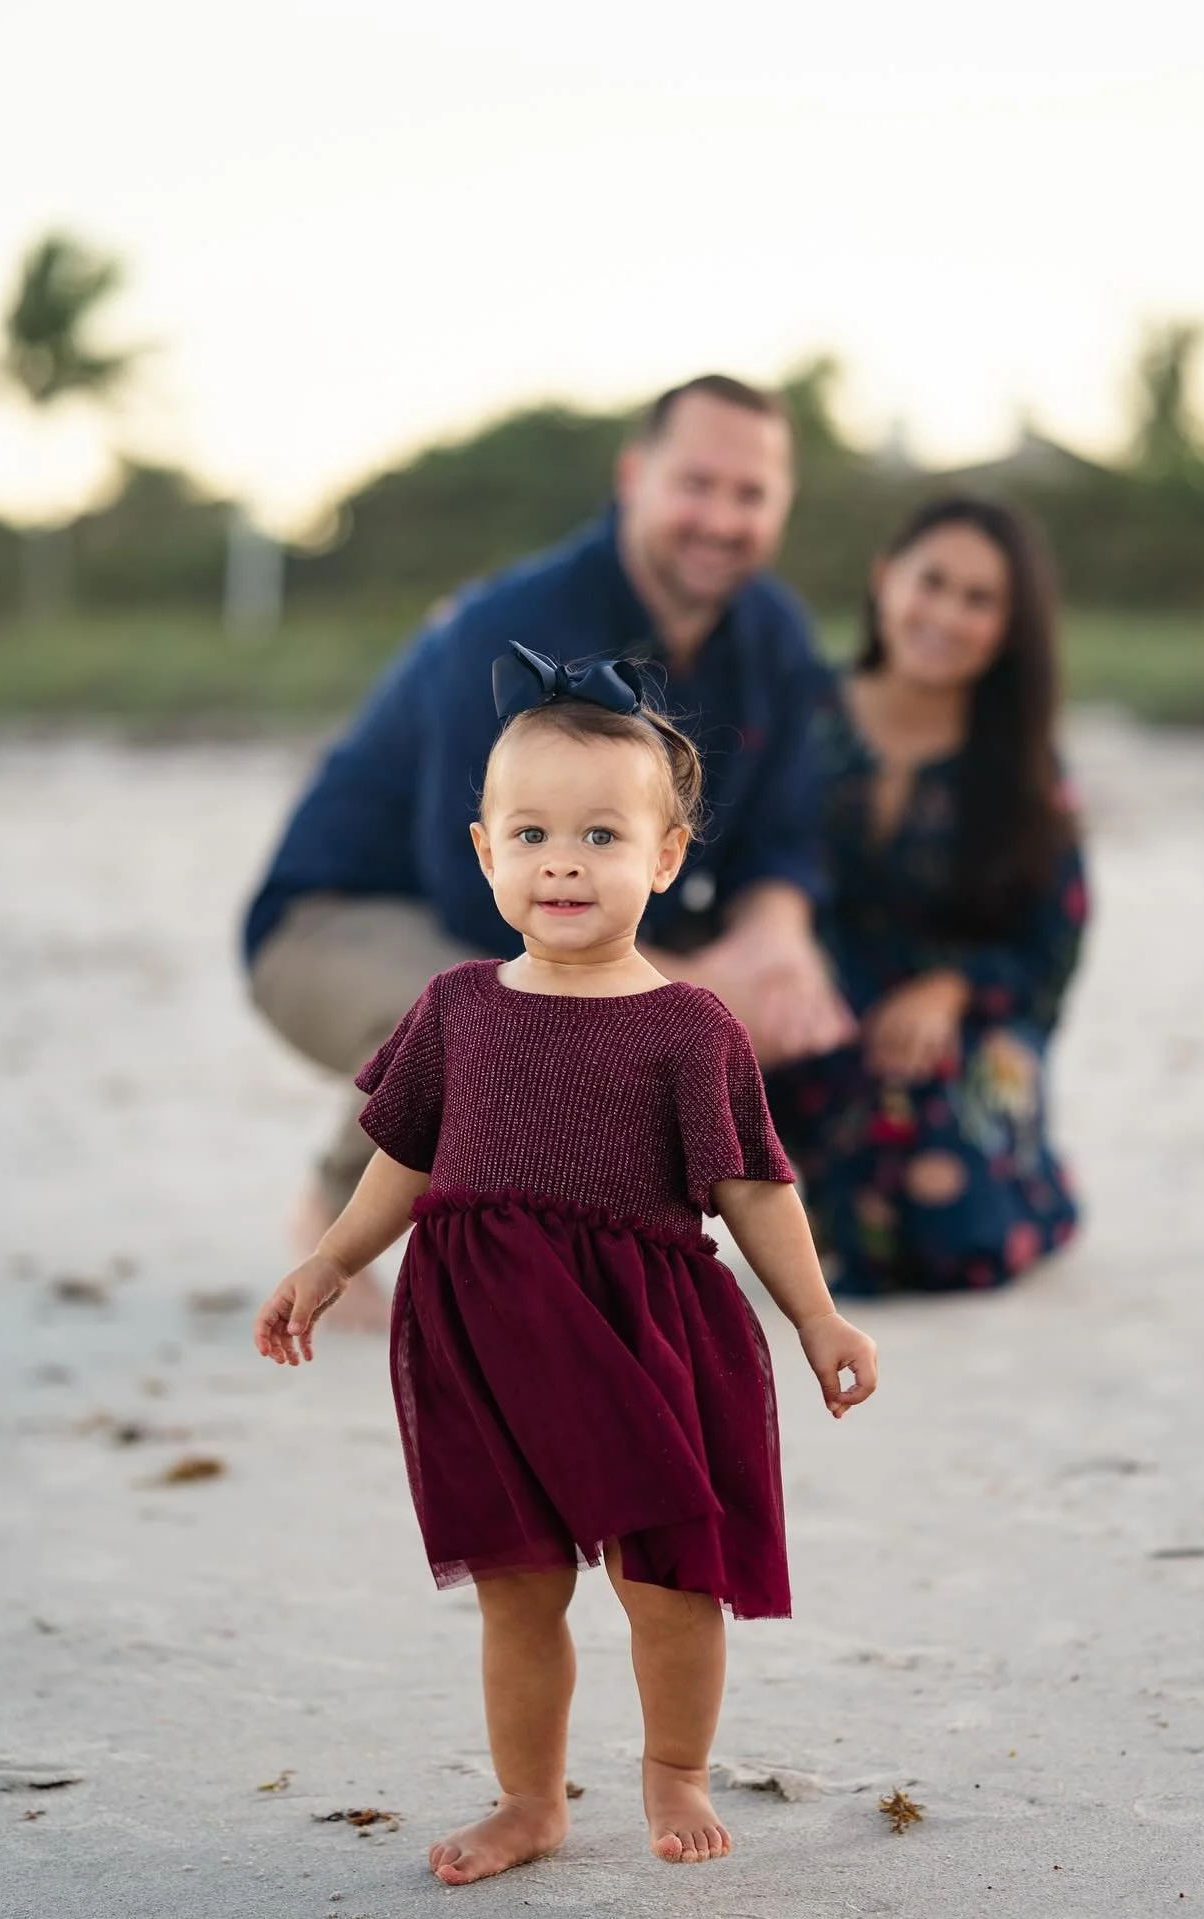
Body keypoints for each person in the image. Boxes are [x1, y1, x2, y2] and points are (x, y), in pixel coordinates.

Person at [252, 650, 879, 1884]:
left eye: (601, 833)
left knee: (669, 1579)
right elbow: (403, 1156)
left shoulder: (689, 1025)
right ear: (484, 850)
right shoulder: (457, 1006)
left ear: (667, 856)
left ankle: (676, 1768)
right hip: (483, 1341)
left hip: (640, 1336)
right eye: (532, 833)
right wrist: (329, 1260)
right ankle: (530, 1799)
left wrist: (817, 1317)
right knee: (517, 1588)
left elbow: (756, 1185)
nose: (563, 861)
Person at [242, 374, 854, 1315]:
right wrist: (687, 983)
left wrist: (777, 940)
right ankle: (336, 1204)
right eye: (697, 484)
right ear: (634, 477)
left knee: (758, 990)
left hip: (560, 904)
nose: (721, 519)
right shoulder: (512, 625)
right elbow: (472, 880)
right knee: (495, 1017)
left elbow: (784, 827)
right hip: (336, 920)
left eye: (751, 494)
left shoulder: (772, 632)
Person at [765, 496, 1089, 1294]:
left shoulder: (1023, 764)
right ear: (885, 580)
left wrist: (953, 987)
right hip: (808, 1006)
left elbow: (1053, 944)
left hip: (964, 1021)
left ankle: (1028, 1183)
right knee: (873, 1215)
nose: (945, 614)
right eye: (931, 582)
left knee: (958, 1238)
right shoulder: (795, 716)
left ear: (1008, 626)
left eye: (979, 599)